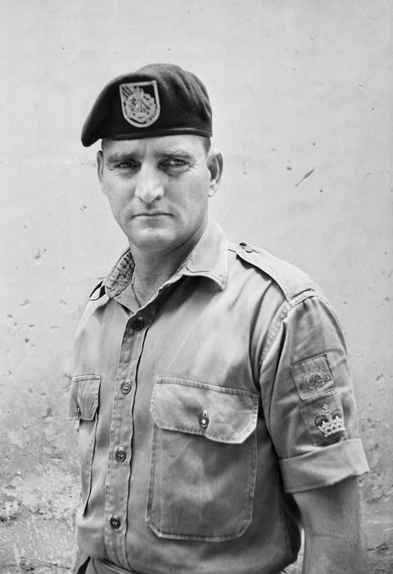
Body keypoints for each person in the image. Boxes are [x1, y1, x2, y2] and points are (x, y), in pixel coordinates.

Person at [70, 63, 369, 574]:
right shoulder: (99, 314)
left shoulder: (281, 314)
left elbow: (334, 531)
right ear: (101, 174)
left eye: (172, 163)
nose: (147, 188)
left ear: (212, 173)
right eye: (125, 165)